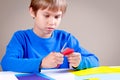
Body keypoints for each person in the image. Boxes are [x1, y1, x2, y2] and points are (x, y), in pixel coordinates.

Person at [1, 0, 99, 73]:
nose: (52, 22)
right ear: (32, 12)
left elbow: (95, 60)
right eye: (46, 15)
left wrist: (80, 62)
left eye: (57, 17)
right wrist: (41, 63)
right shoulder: (21, 38)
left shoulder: (66, 38)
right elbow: (6, 63)